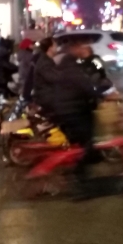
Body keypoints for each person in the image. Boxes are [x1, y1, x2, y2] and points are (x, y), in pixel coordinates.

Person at [48, 40, 101, 171]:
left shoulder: (64, 65)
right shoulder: (72, 68)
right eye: (79, 47)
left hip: (64, 107)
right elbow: (85, 86)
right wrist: (97, 96)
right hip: (71, 109)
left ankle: (86, 155)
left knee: (79, 135)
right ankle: (82, 164)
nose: (82, 49)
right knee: (86, 132)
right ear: (72, 49)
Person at [23, 37, 59, 113]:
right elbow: (53, 79)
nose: (57, 47)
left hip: (46, 96)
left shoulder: (46, 60)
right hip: (46, 99)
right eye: (55, 45)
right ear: (50, 48)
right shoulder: (45, 63)